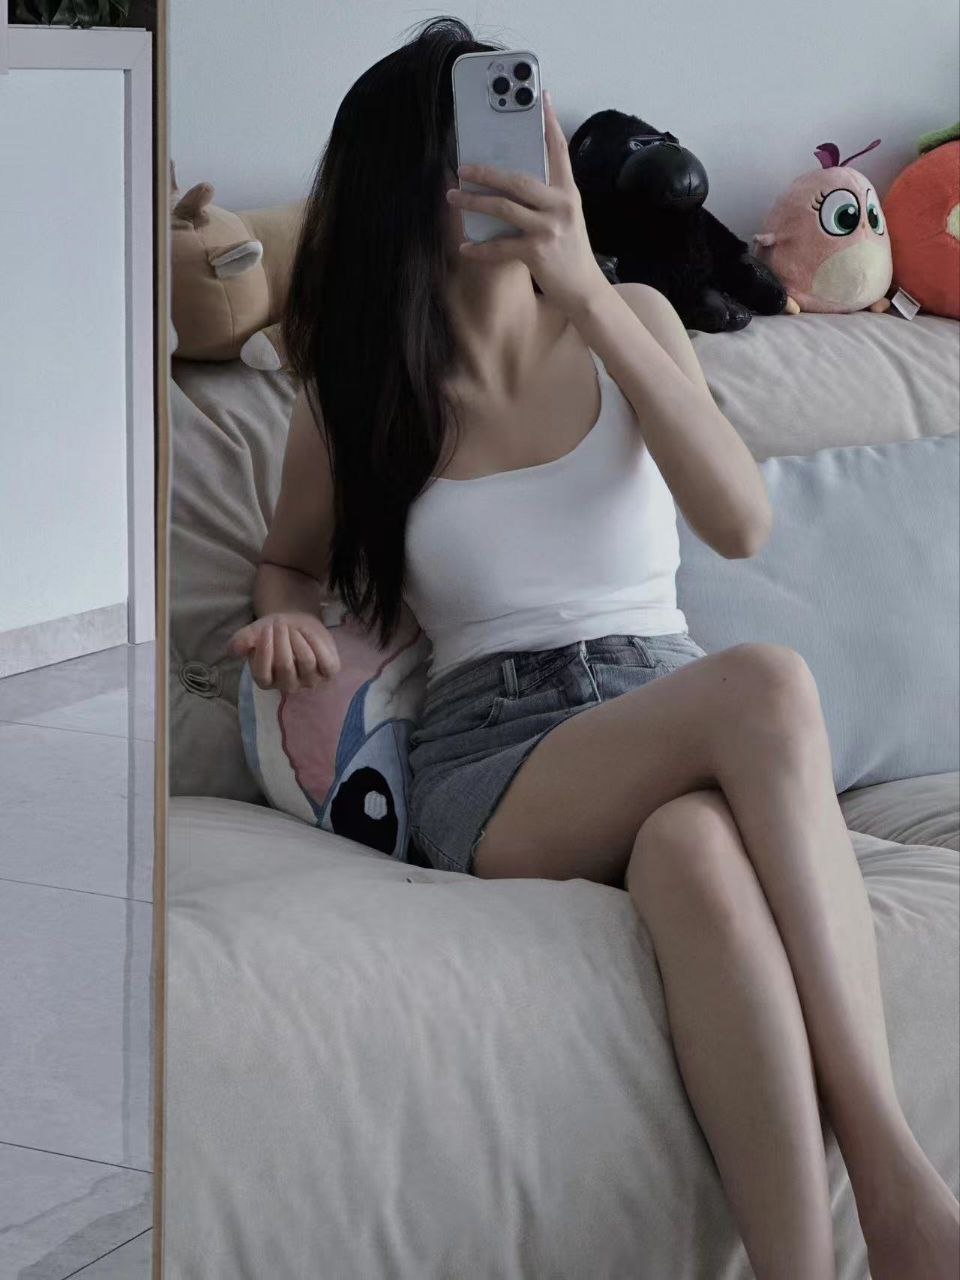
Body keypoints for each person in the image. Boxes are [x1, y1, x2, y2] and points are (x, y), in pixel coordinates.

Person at [227, 17, 959, 1280]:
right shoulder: (358, 391)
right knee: (769, 682)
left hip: (663, 704)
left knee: (693, 851)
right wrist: (286, 608)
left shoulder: (634, 320)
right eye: (473, 149)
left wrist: (589, 297)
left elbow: (738, 520)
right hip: (499, 753)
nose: (512, 165)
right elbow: (288, 560)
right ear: (409, 191)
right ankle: (894, 1173)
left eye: (524, 131)